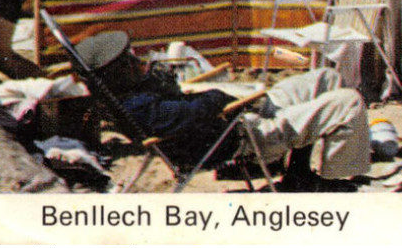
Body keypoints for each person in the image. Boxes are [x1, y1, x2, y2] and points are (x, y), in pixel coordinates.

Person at [76, 32, 369, 190]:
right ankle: (332, 184)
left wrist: (163, 83)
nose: (135, 61)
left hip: (236, 120)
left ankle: (299, 175)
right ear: (115, 73)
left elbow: (184, 106)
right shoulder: (139, 108)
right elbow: (196, 111)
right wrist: (217, 95)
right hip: (245, 136)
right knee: (348, 101)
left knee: (325, 79)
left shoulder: (129, 97)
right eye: (128, 60)